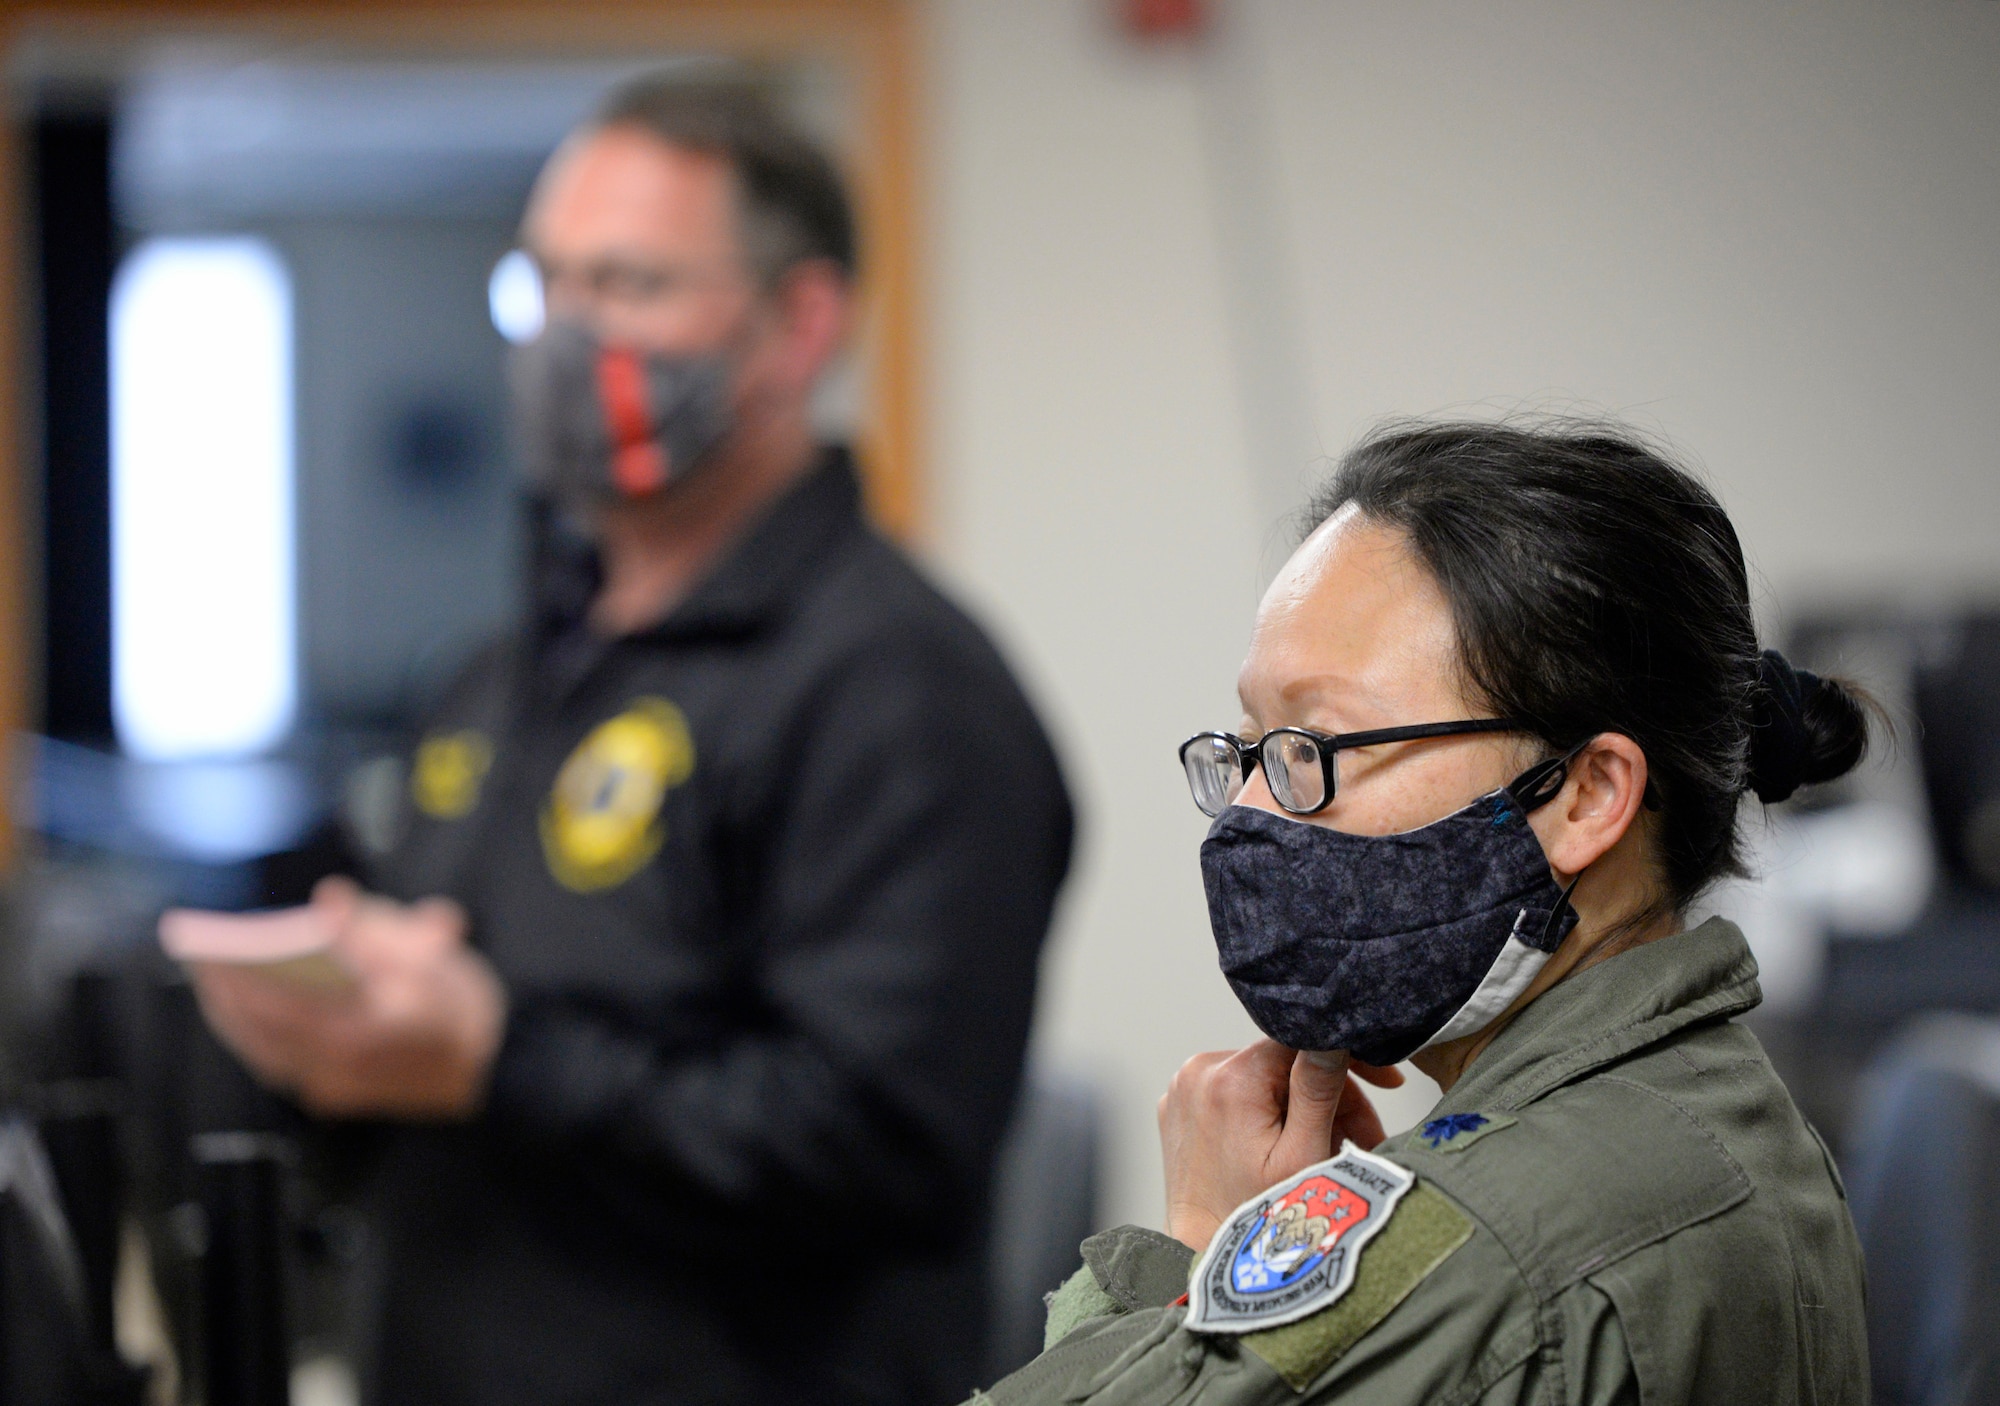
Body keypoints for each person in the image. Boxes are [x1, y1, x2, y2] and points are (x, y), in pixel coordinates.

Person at [188, 74, 1073, 1406]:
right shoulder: (500, 671)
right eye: (544, 283)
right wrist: (339, 1035)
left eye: (631, 284)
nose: (566, 332)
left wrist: (496, 1054)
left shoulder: (900, 689)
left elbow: (884, 1148)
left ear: (799, 325)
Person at [971, 421, 1870, 1404]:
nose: (1250, 808)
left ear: (1585, 793)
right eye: (1247, 745)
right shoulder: (1729, 1112)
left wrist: (1193, 1244)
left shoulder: (1484, 1245)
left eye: (1315, 743)